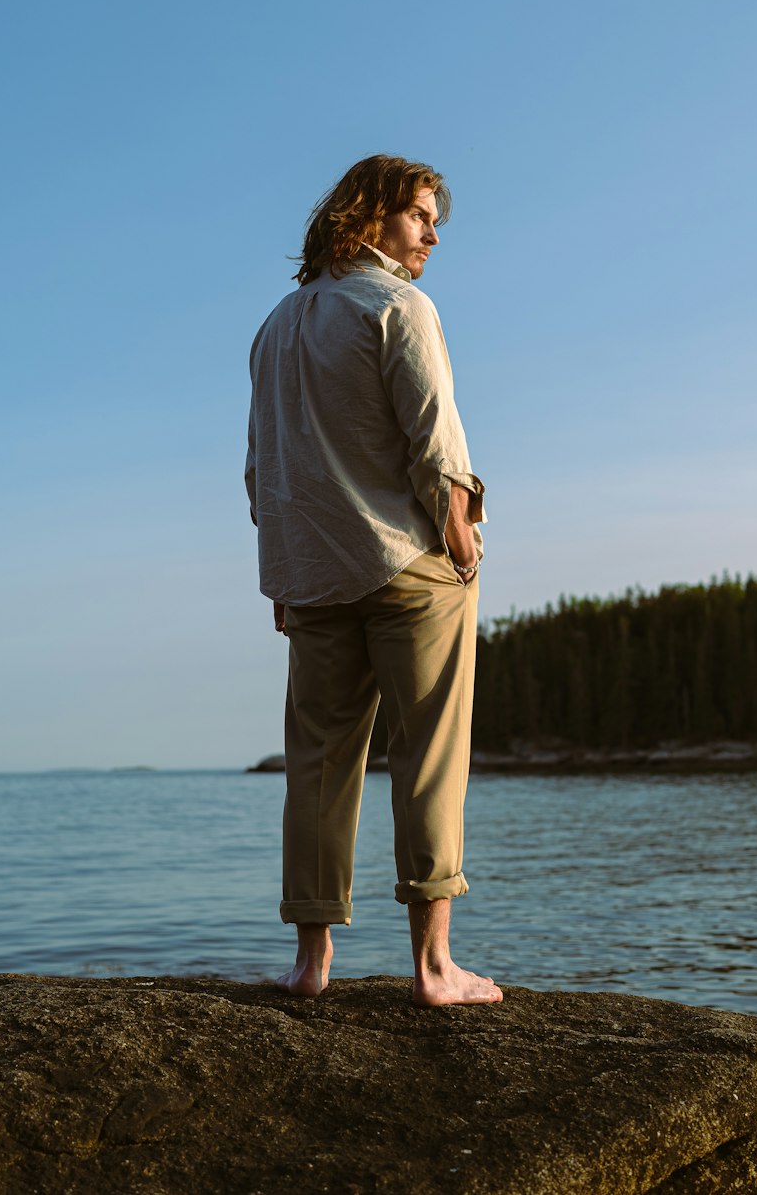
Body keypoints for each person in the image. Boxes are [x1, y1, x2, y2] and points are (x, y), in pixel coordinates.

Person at [245, 154, 502, 1007]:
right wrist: (462, 534)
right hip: (408, 563)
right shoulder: (401, 306)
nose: (432, 234)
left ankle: (311, 963)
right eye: (421, 215)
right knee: (427, 755)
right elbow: (435, 442)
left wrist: (281, 571)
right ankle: (435, 968)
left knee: (317, 764)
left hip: (313, 575)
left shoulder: (275, 328)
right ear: (370, 215)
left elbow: (264, 469)